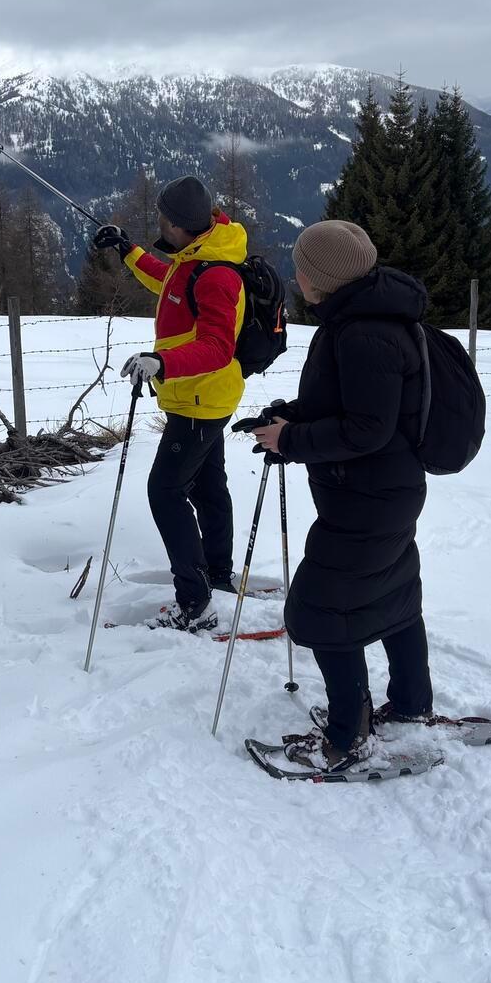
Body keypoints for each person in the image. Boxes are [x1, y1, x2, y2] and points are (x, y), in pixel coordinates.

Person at [247, 219, 432, 772]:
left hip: (367, 497)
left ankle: (349, 733)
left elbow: (367, 429)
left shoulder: (363, 332)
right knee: (392, 592)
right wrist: (289, 419)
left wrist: (294, 439)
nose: (295, 275)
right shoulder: (362, 320)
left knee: (321, 609)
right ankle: (412, 704)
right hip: (384, 492)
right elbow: (352, 406)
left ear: (323, 277)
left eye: (302, 267)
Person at [93, 175, 248, 632]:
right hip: (200, 396)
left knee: (165, 492)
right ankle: (217, 574)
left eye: (164, 218)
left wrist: (162, 361)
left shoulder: (217, 274)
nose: (158, 222)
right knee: (206, 486)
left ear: (181, 225)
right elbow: (170, 283)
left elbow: (218, 346)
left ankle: (196, 602)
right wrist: (128, 250)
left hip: (199, 400)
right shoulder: (195, 258)